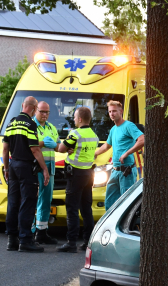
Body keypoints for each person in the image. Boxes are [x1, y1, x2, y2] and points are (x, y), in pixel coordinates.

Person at [2, 96, 50, 252]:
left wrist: (6, 168)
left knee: (13, 202)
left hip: (13, 164)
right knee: (28, 202)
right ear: (34, 108)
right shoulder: (30, 124)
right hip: (25, 167)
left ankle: (12, 239)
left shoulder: (11, 123)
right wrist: (44, 168)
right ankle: (25, 240)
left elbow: (5, 149)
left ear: (23, 105)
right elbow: (35, 149)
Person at [56, 106, 100, 253]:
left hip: (76, 175)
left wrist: (64, 147)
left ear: (80, 119)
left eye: (75, 117)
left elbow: (61, 148)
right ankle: (87, 241)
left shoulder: (75, 133)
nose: (74, 119)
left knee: (72, 208)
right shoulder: (94, 135)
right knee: (86, 209)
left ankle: (71, 242)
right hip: (88, 174)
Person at [95, 100, 144, 209]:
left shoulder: (128, 125)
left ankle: (125, 226)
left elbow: (142, 140)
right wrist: (95, 154)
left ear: (121, 111)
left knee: (126, 205)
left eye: (114, 111)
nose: (112, 114)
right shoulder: (113, 129)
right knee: (109, 204)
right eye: (110, 112)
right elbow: (107, 145)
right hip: (115, 171)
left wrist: (127, 153)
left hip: (127, 171)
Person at [31, 101, 59, 244]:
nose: (44, 115)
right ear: (35, 110)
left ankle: (42, 232)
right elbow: (30, 146)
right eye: (42, 111)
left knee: (46, 200)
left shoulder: (52, 128)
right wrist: (42, 143)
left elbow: (58, 145)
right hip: (36, 168)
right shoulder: (31, 126)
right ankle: (30, 232)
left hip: (50, 167)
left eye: (47, 112)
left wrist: (58, 146)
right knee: (32, 199)